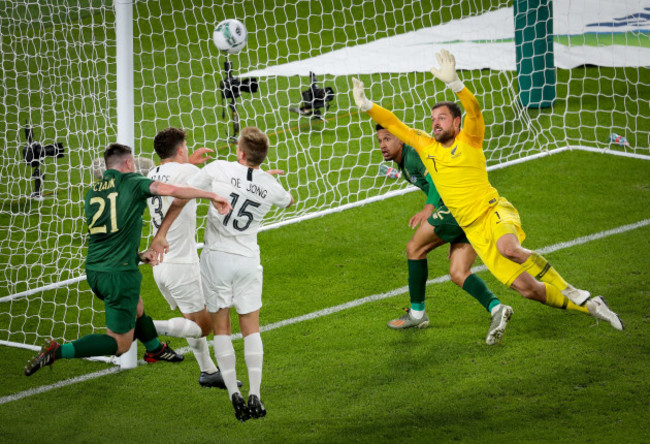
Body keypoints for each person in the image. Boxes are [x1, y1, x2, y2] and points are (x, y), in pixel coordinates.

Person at [352, 49, 623, 332]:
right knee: (527, 289)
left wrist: (456, 84)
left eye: (442, 118)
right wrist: (368, 104)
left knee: (509, 248)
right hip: (473, 230)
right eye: (433, 119)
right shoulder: (425, 146)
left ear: (456, 123)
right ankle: (591, 305)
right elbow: (395, 123)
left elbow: (475, 110)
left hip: (493, 212)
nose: (435, 123)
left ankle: (572, 290)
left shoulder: (470, 139)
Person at [24, 143, 232, 376]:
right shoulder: (132, 182)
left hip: (95, 270)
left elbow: (109, 236)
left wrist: (138, 256)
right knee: (120, 344)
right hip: (119, 275)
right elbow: (174, 191)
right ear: (129, 163)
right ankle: (58, 350)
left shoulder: (93, 192)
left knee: (137, 307)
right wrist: (211, 194)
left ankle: (155, 349)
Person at [150, 126, 294, 422]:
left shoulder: (218, 168)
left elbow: (186, 186)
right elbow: (288, 201)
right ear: (262, 156)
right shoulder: (269, 183)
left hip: (215, 259)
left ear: (240, 152)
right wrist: (267, 180)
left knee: (222, 328)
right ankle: (255, 392)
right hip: (247, 260)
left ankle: (233, 393)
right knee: (251, 327)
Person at [376, 124, 512, 344]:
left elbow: (437, 183)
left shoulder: (414, 156)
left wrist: (428, 208)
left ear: (401, 139)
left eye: (388, 139)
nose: (383, 145)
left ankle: (418, 315)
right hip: (468, 210)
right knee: (459, 272)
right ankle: (497, 308)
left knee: (414, 248)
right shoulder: (403, 162)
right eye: (380, 140)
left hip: (456, 207)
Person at [147, 127, 240, 390]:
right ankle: (145, 328)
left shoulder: (153, 173)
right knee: (203, 327)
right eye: (186, 148)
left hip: (160, 264)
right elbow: (224, 183)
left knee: (192, 321)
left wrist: (189, 165)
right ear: (180, 150)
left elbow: (176, 183)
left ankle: (208, 371)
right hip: (180, 265)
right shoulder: (187, 173)